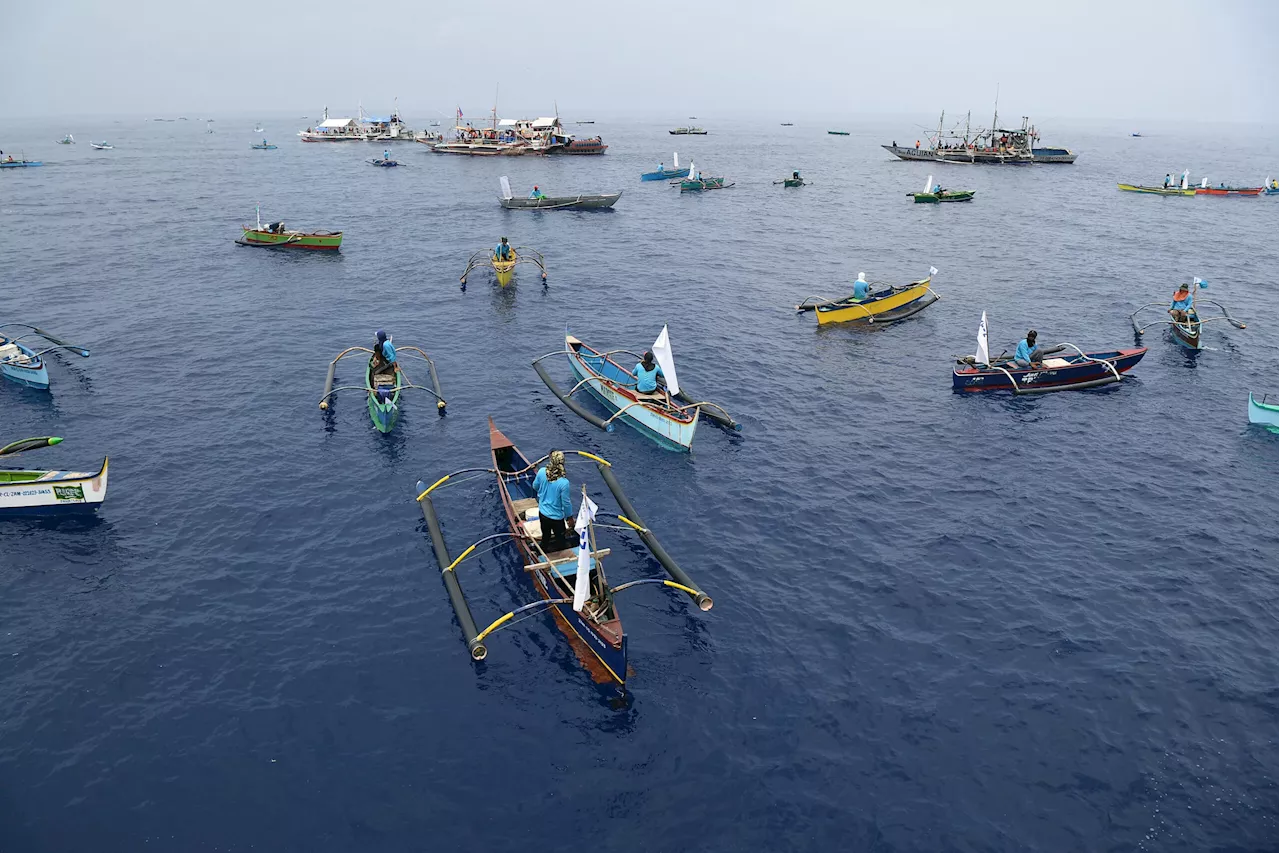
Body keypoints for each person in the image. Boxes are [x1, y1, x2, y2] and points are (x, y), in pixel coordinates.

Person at [532, 450, 575, 553]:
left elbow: (535, 486)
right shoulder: (564, 483)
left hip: (543, 514)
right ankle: (561, 553)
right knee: (560, 539)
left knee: (545, 536)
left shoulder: (542, 471)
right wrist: (569, 518)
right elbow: (566, 503)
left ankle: (542, 551)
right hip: (557, 518)